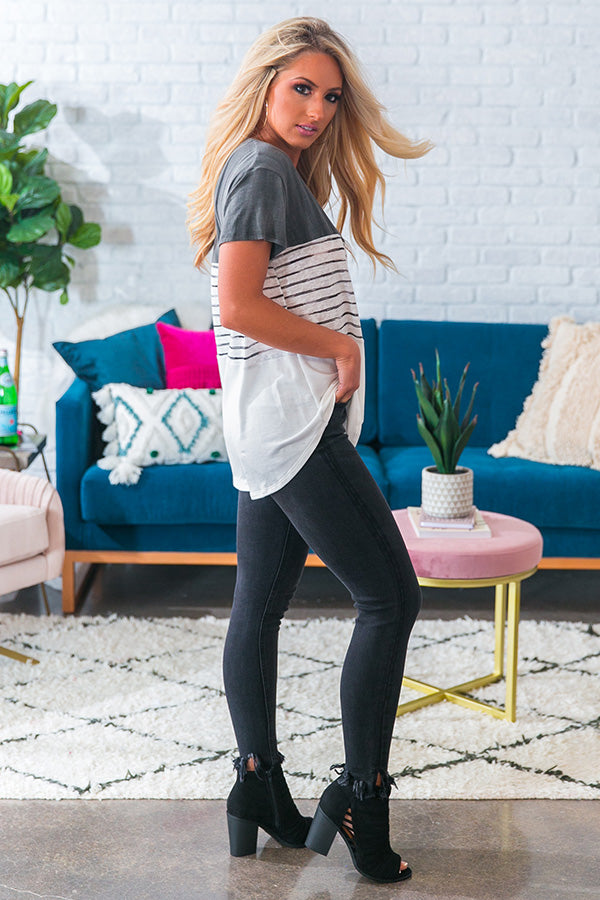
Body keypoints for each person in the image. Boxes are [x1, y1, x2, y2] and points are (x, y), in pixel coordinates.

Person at [188, 17, 431, 885]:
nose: (317, 109)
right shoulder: (260, 170)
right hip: (295, 428)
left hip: (268, 425)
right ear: (265, 83)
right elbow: (239, 305)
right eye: (301, 88)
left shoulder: (268, 170)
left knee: (258, 607)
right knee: (390, 597)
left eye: (329, 96)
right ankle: (361, 798)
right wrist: (341, 348)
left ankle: (257, 785)